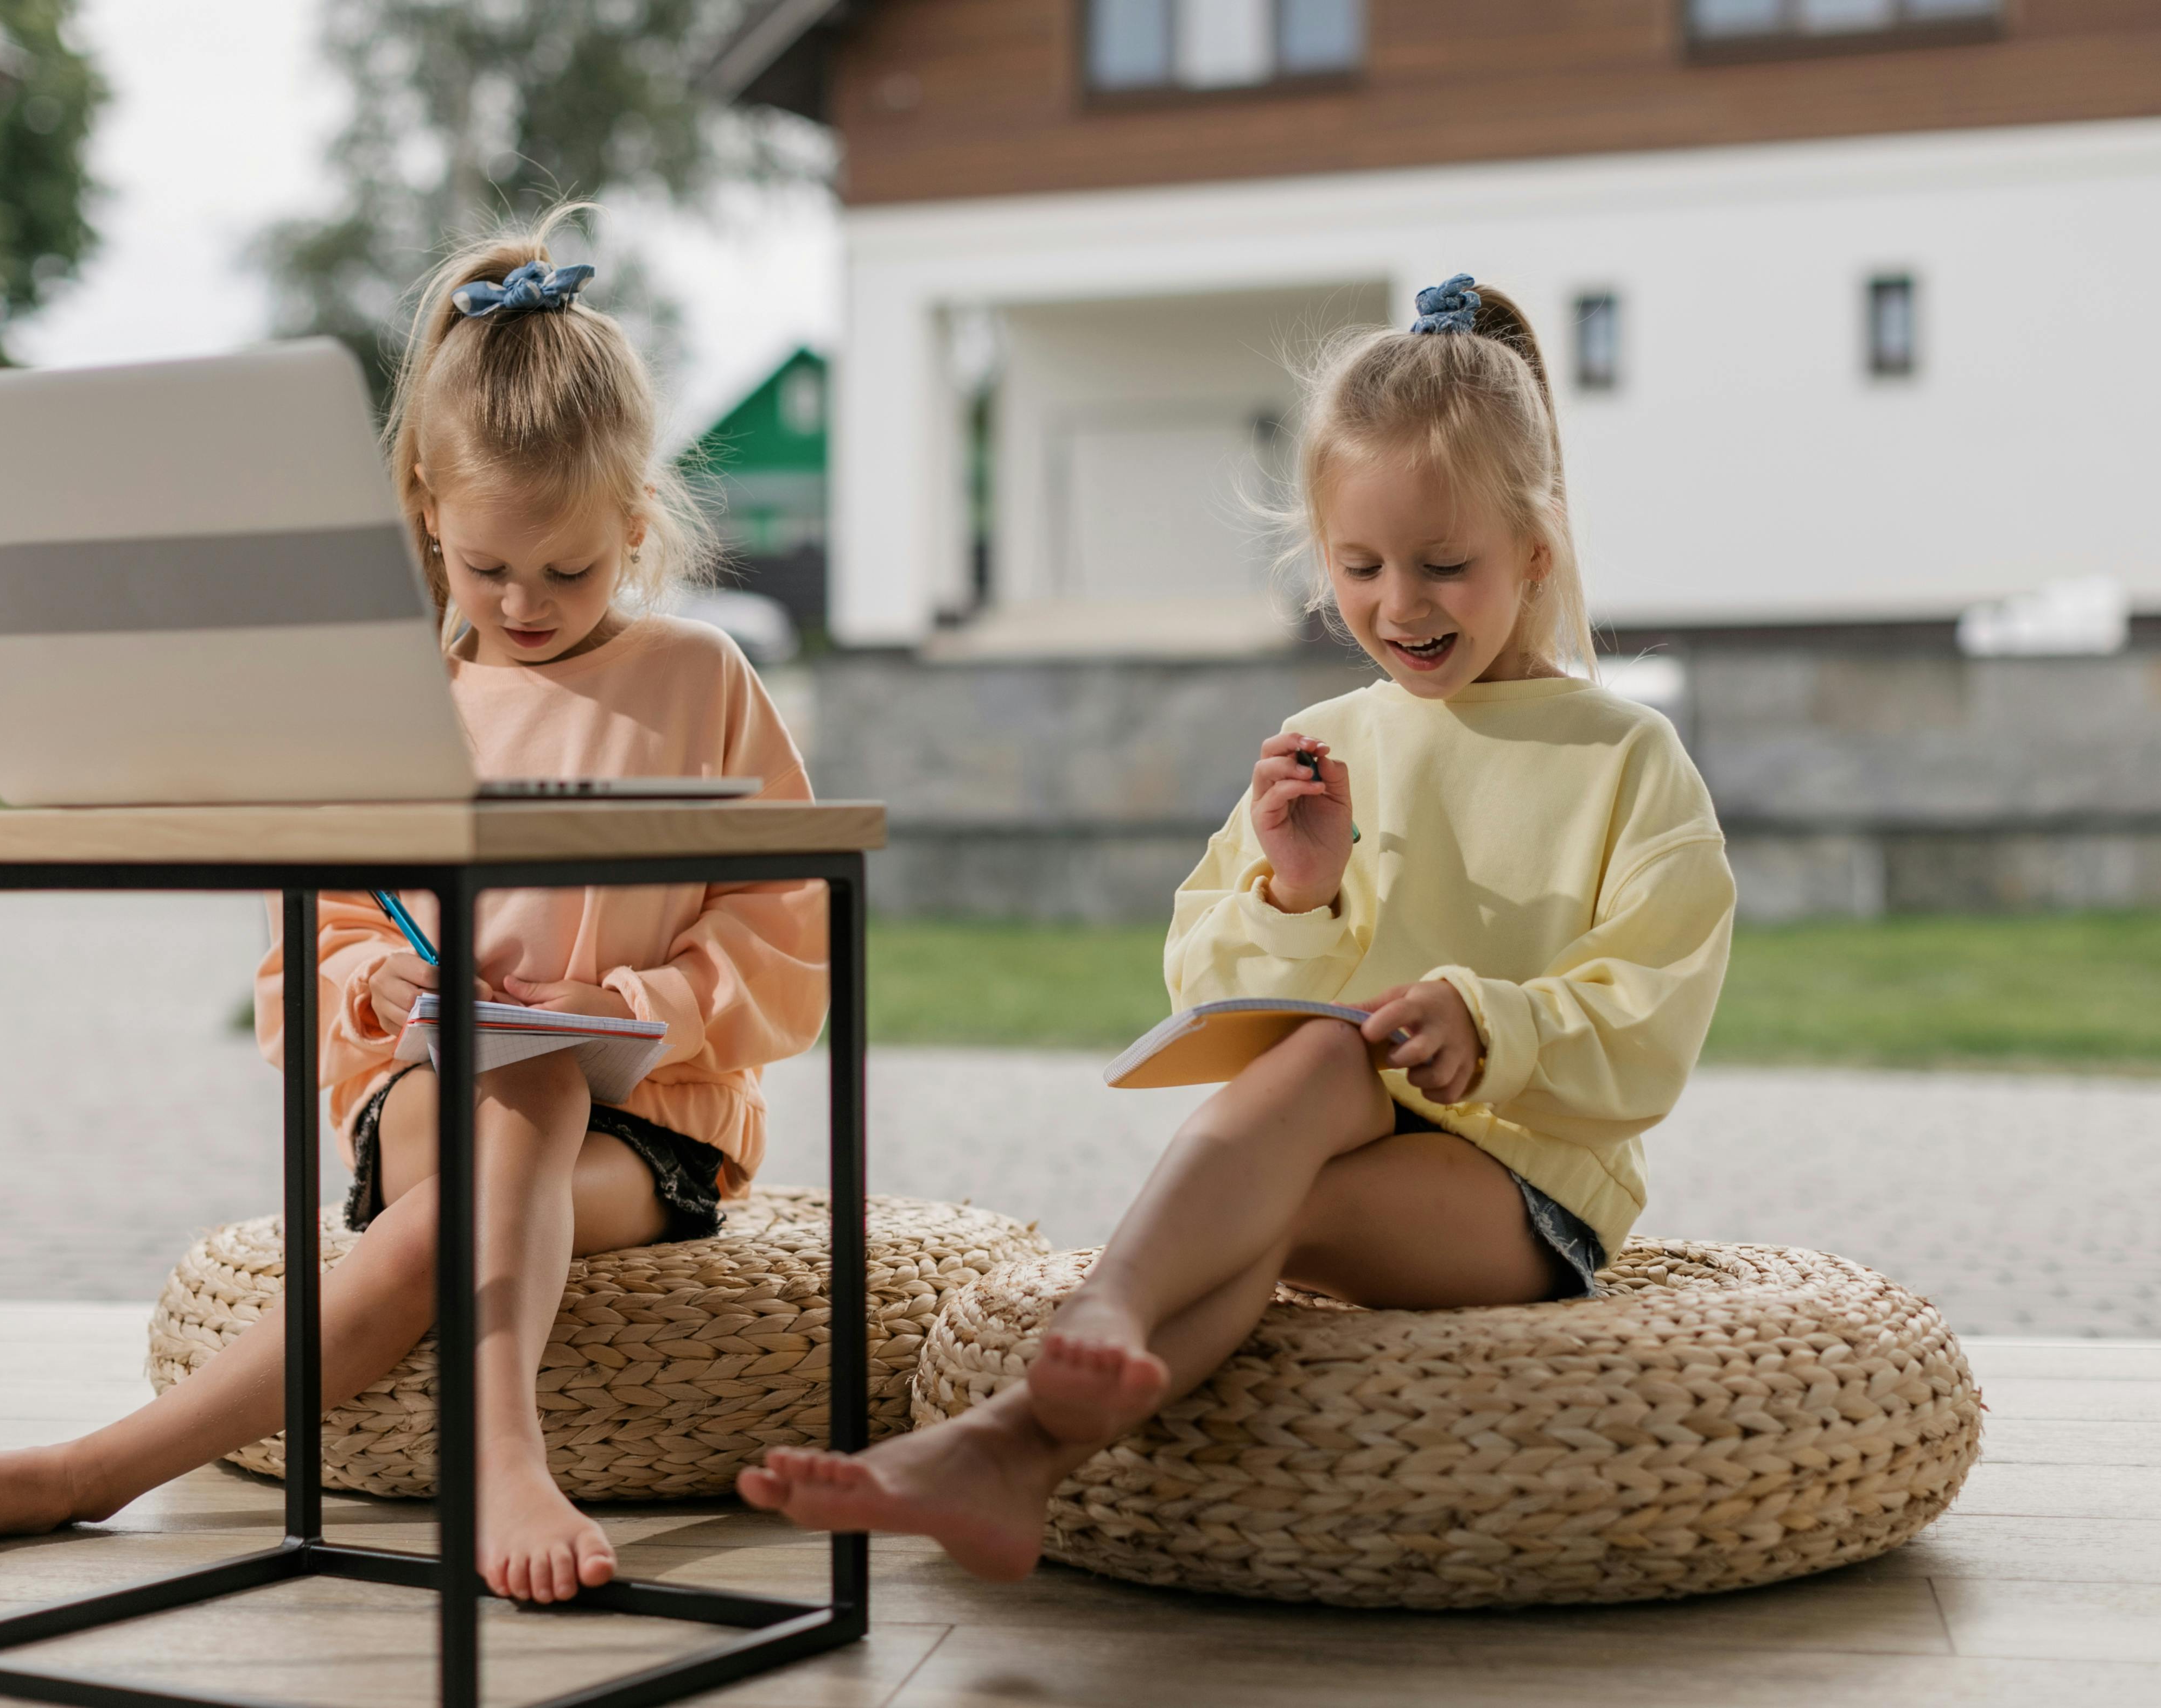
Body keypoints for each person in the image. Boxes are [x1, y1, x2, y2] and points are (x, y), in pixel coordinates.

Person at [0, 207, 828, 1606]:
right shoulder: (397, 703)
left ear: (634, 528)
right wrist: (376, 989)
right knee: (502, 1073)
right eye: (486, 565)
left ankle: (84, 1472)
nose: (525, 602)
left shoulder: (701, 679)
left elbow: (790, 919)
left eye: (569, 570)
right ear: (425, 515)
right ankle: (493, 1451)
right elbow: (316, 940)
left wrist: (632, 1003)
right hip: (423, 1099)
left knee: (514, 1113)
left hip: (659, 1127)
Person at [738, 275, 1736, 1579]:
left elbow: (1654, 1013)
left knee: (1274, 1175)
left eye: (1446, 565)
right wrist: (1297, 893)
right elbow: (1205, 987)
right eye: (1361, 565)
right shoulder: (1330, 744)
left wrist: (1489, 1022)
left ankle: (1070, 1356)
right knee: (1307, 1095)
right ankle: (1020, 1453)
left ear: (1537, 552)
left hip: (1529, 1194)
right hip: (1339, 1140)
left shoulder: (1624, 754)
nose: (1401, 604)